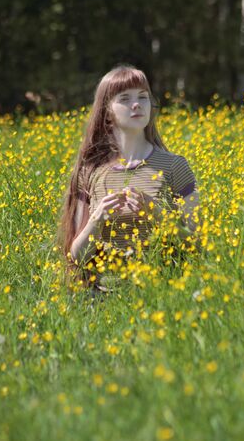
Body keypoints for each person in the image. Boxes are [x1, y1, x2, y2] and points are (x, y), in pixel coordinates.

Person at [57, 64, 201, 301]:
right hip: (100, 300)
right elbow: (76, 256)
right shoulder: (90, 171)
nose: (137, 104)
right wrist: (97, 218)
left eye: (143, 97)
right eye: (125, 98)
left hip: (163, 297)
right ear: (106, 111)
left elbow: (196, 244)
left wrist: (157, 213)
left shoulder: (175, 166)